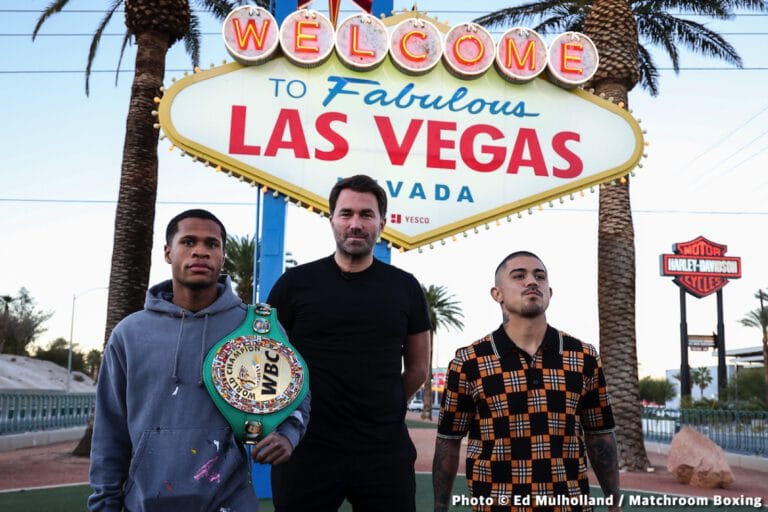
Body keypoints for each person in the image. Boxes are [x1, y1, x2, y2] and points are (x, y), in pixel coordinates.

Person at [88, 209, 310, 512]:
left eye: (212, 244)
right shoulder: (130, 333)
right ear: (168, 252)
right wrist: (104, 504)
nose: (201, 252)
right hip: (146, 504)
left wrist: (288, 434)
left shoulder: (256, 328)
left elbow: (297, 394)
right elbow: (109, 430)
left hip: (230, 503)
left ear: (222, 256)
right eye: (188, 242)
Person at [267, 174, 431, 512]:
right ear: (332, 220)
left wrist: (384, 407)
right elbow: (270, 360)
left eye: (366, 215)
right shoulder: (294, 285)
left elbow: (418, 368)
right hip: (306, 446)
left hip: (383, 449)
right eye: (346, 214)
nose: (355, 224)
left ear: (382, 223)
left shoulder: (405, 287)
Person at [432, 251, 622, 512]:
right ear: (497, 294)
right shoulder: (469, 362)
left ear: (550, 292)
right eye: (519, 276)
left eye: (539, 276)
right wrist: (440, 506)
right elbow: (448, 440)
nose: (532, 281)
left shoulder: (583, 357)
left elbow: (600, 436)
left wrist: (614, 504)